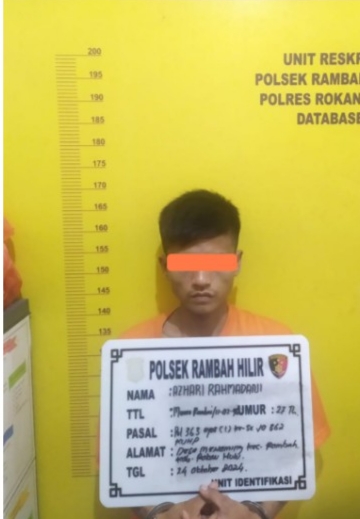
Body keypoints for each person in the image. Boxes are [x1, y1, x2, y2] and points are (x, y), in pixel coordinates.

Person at [120, 189, 330, 519]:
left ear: (237, 263)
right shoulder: (130, 352)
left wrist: (256, 514)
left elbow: (298, 455)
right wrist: (159, 515)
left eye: (216, 264)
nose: (201, 280)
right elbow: (121, 463)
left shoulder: (276, 344)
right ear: (165, 267)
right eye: (186, 265)